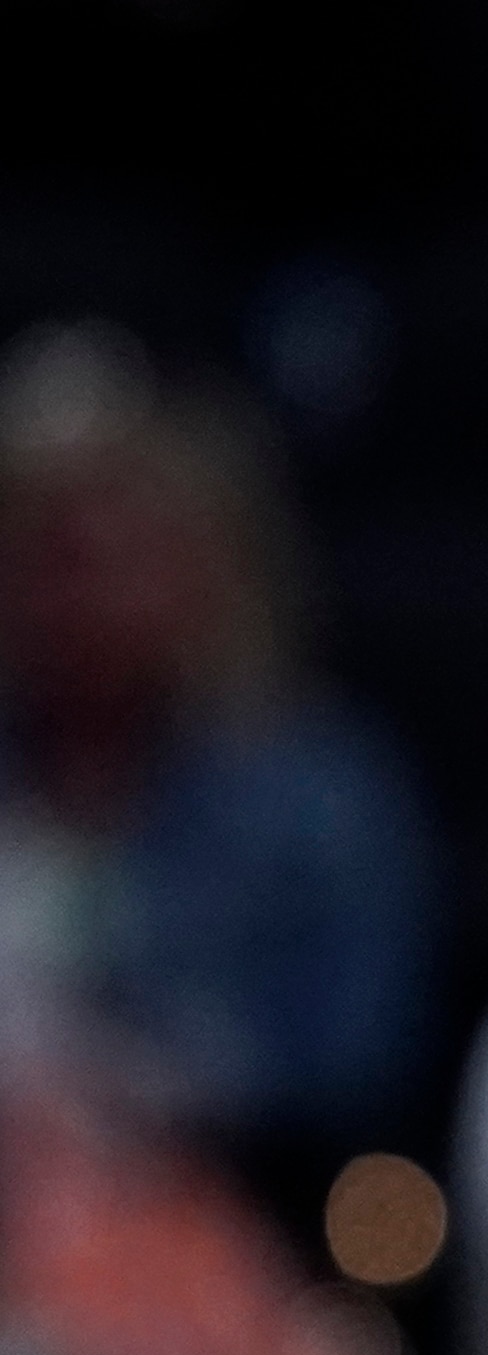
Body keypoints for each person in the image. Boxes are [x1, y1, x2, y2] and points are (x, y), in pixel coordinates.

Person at [0, 321, 432, 1170]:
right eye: (48, 559)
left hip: (218, 1215)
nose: (80, 600)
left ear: (210, 564)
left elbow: (360, 1069)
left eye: (117, 561)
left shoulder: (320, 795)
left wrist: (140, 1081)